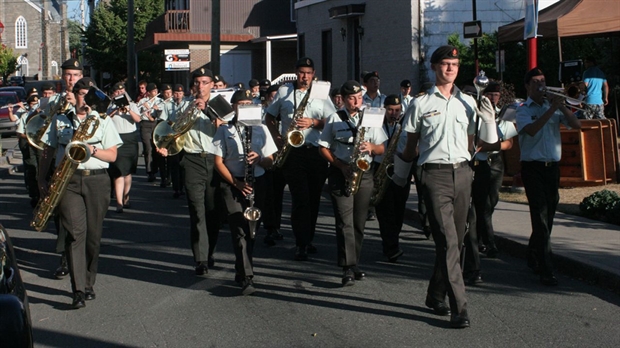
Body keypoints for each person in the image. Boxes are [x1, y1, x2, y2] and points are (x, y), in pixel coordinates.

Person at [397, 45, 497, 328]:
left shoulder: (467, 102)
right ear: (434, 67)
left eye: (454, 63)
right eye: (444, 64)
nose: (450, 68)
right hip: (434, 175)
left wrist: (488, 118)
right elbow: (411, 148)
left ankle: (435, 293)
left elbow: (475, 142)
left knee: (457, 240)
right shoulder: (420, 104)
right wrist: (400, 171)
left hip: (463, 173)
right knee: (448, 241)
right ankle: (460, 308)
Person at [38, 77, 122, 309]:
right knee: (75, 234)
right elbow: (48, 150)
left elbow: (112, 156)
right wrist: (41, 177)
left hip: (97, 181)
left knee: (93, 237)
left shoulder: (103, 121)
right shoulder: (60, 120)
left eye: (88, 94)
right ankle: (78, 291)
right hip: (68, 181)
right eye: (81, 93)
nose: (85, 98)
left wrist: (92, 149)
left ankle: (88, 282)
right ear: (74, 95)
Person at [264, 57, 336, 259]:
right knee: (300, 198)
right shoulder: (285, 91)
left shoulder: (321, 92)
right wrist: (277, 138)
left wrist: (313, 122)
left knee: (313, 198)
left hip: (316, 151)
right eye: (302, 72)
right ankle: (301, 242)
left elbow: (332, 120)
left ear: (313, 74)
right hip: (292, 152)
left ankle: (308, 238)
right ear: (296, 73)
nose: (305, 76)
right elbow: (269, 116)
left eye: (309, 73)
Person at [516, 67, 581, 286]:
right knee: (540, 216)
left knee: (549, 214)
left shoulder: (552, 106)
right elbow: (532, 130)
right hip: (532, 167)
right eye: (535, 82)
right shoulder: (523, 109)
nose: (541, 85)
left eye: (543, 81)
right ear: (527, 86)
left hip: (552, 167)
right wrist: (552, 109)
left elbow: (576, 125)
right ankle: (546, 268)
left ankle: (533, 254)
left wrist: (561, 105)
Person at [156, 66, 224, 276]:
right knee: (197, 210)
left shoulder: (221, 104)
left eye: (205, 82)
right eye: (197, 82)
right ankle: (200, 258)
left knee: (213, 212)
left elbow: (226, 126)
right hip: (192, 159)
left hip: (217, 160)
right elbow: (173, 130)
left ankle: (209, 250)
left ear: (212, 84)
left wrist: (207, 110)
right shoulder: (183, 106)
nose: (200, 86)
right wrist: (166, 145)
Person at [318, 80, 387, 286]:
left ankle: (354, 262)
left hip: (364, 173)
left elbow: (382, 148)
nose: (356, 102)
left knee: (359, 222)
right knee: (344, 222)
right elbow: (323, 147)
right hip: (342, 172)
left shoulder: (371, 117)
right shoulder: (334, 118)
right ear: (344, 100)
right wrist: (340, 165)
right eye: (351, 98)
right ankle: (347, 267)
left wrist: (371, 147)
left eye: (358, 98)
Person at [213, 89, 277, 295]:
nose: (246, 106)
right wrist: (236, 183)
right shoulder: (224, 130)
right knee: (239, 227)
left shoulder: (261, 129)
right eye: (241, 103)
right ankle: (248, 277)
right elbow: (217, 162)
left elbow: (270, 160)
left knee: (251, 230)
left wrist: (259, 158)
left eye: (249, 103)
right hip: (233, 184)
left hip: (257, 182)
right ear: (234, 107)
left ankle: (241, 269)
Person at [463, 81, 518, 285]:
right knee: (470, 215)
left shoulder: (496, 114)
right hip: (464, 164)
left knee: (485, 206)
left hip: (487, 163)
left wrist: (488, 143)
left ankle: (481, 250)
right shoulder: (462, 115)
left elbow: (508, 140)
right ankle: (473, 262)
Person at [372, 94, 409, 262]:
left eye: (397, 110)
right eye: (390, 110)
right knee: (385, 210)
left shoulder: (405, 125)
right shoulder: (376, 124)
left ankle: (392, 239)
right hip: (380, 167)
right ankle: (391, 246)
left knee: (399, 209)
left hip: (400, 168)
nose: (394, 113)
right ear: (384, 109)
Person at [107, 82, 141, 213]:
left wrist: (128, 109)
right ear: (113, 94)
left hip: (130, 139)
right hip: (116, 139)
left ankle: (126, 196)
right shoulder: (110, 106)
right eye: (117, 92)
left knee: (127, 172)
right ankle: (119, 202)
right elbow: (105, 119)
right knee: (118, 172)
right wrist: (115, 110)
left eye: (122, 91)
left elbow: (138, 120)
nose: (120, 93)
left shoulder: (132, 105)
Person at [163, 84, 191, 198]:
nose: (178, 95)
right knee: (174, 164)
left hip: (185, 137)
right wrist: (172, 124)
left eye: (180, 93)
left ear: (183, 94)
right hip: (173, 136)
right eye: (176, 93)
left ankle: (183, 186)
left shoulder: (188, 104)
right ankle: (176, 188)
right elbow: (164, 120)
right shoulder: (168, 105)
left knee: (184, 164)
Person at [138, 83, 163, 182]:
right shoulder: (142, 101)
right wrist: (143, 107)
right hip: (145, 125)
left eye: (156, 90)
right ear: (148, 92)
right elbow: (137, 114)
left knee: (156, 147)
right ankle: (150, 172)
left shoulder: (160, 101)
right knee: (148, 148)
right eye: (153, 91)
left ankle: (157, 169)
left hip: (156, 124)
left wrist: (155, 109)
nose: (156, 92)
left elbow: (160, 113)